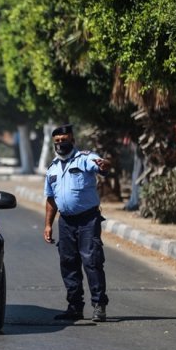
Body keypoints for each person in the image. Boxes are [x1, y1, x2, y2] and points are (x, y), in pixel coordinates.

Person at [43, 124, 111, 322]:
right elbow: (50, 199)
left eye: (64, 140)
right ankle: (74, 307)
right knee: (68, 263)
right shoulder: (52, 168)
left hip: (87, 219)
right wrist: (48, 224)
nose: (61, 144)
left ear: (72, 141)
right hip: (65, 221)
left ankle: (99, 305)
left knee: (92, 261)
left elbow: (99, 165)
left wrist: (103, 165)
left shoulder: (84, 158)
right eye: (57, 141)